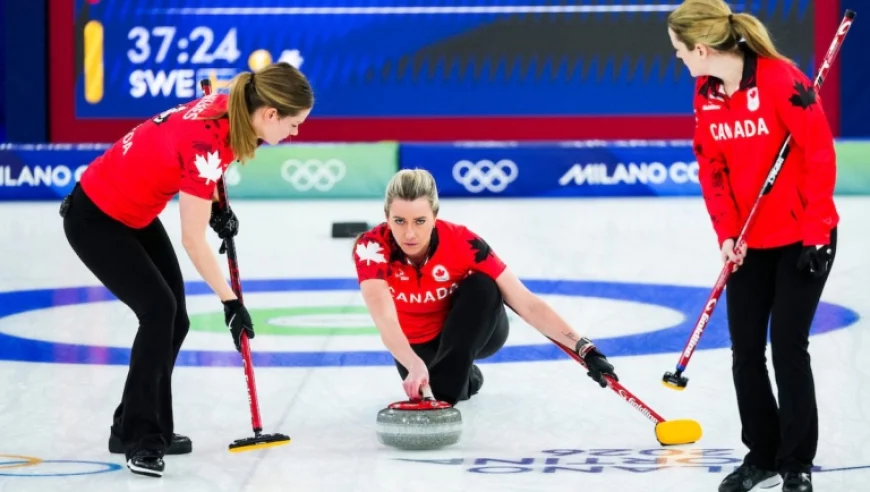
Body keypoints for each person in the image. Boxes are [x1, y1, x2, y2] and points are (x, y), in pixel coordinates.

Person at [60, 62, 314, 478]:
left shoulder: (229, 108)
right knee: (159, 312)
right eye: (294, 123)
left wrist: (217, 207)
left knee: (175, 320)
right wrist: (231, 303)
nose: (295, 133)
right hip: (96, 220)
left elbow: (191, 164)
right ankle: (142, 439)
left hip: (134, 214)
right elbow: (193, 240)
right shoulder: (208, 143)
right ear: (269, 114)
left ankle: (131, 424)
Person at [667, 2, 838, 491]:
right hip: (748, 241)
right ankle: (761, 454)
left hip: (804, 236)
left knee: (788, 347)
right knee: (745, 351)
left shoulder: (782, 80)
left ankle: (796, 462)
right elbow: (711, 167)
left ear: (701, 48)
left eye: (680, 52)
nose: (679, 60)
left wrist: (818, 233)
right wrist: (725, 233)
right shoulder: (707, 93)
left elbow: (819, 155)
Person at [351, 168, 619, 406]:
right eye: (399, 221)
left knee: (484, 285)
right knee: (441, 383)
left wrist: (585, 349)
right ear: (386, 217)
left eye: (419, 221)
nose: (409, 233)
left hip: (474, 331)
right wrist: (413, 363)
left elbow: (526, 303)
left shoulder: (463, 243)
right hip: (417, 343)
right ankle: (466, 376)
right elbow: (385, 319)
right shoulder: (371, 248)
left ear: (435, 216)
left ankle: (456, 370)